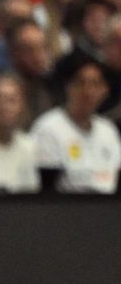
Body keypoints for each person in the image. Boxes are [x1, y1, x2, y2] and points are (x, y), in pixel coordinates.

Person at [32, 60, 120, 193]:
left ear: (105, 90)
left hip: (108, 207)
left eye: (95, 84)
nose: (88, 91)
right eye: (81, 83)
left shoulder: (108, 131)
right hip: (66, 207)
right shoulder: (48, 128)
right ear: (68, 87)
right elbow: (46, 187)